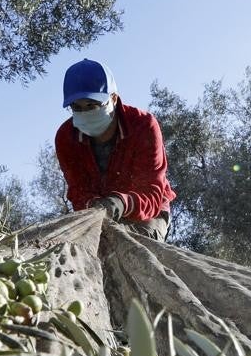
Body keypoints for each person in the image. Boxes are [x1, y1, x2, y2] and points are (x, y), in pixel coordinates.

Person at [54, 59, 176, 241]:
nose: (85, 113)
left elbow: (152, 194)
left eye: (91, 105)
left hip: (147, 213)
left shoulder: (143, 126)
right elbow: (77, 190)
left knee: (135, 245)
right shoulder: (65, 138)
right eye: (76, 107)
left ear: (113, 99)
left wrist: (121, 203)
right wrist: (92, 204)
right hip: (98, 215)